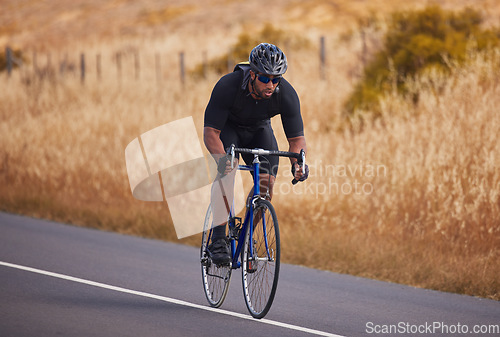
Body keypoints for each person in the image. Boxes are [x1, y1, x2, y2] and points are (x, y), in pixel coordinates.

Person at [203, 43, 309, 265]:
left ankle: (246, 235)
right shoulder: (228, 86)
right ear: (252, 74)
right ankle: (219, 238)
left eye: (276, 79)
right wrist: (222, 161)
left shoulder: (285, 94)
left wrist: (299, 163)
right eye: (265, 78)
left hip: (260, 131)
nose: (271, 84)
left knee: (266, 184)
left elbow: (296, 140)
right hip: (229, 130)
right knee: (228, 172)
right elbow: (211, 133)